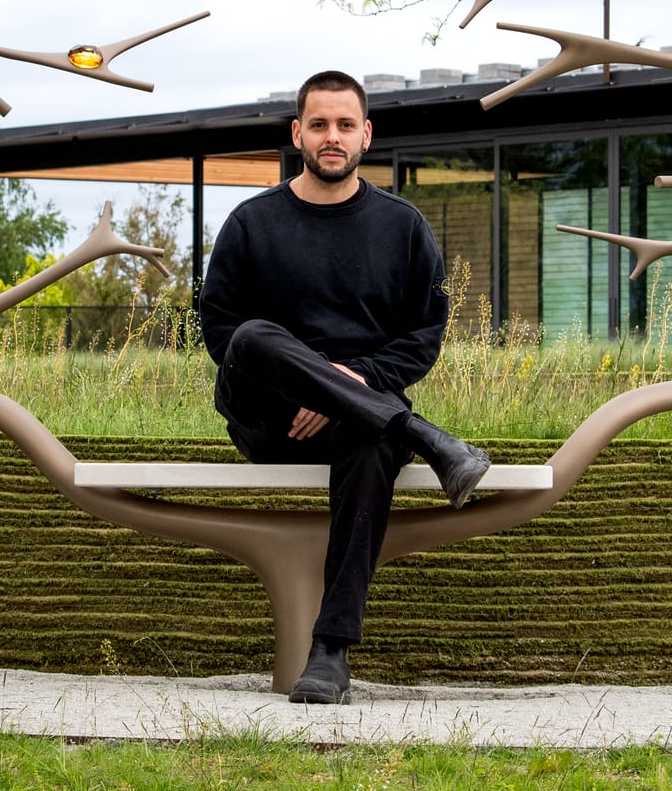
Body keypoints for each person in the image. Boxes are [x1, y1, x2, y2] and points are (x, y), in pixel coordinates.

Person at [200, 69, 491, 705]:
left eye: (345, 125)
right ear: (298, 133)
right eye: (320, 124)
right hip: (267, 419)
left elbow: (423, 337)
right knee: (253, 335)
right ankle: (423, 435)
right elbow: (221, 332)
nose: (333, 137)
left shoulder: (403, 226)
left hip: (362, 424)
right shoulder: (251, 223)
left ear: (366, 134)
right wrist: (302, 389)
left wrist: (349, 388)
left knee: (373, 444)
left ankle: (330, 651)